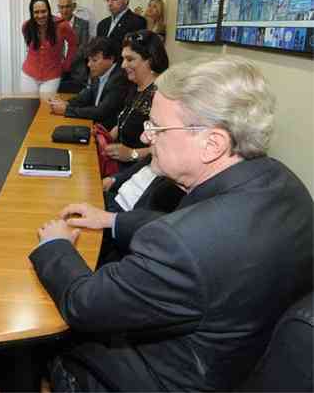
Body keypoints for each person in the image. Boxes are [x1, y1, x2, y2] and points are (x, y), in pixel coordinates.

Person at [31, 55, 313, 391]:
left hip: (169, 377)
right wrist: (113, 220)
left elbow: (84, 304)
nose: (148, 138)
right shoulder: (286, 185)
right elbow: (195, 230)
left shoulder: (181, 244)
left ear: (212, 143)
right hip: (239, 358)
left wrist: (56, 246)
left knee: (44, 339)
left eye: (158, 128)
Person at [104, 29, 168, 170]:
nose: (123, 65)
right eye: (123, 59)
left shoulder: (162, 96)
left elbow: (164, 149)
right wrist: (103, 138)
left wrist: (133, 154)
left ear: (150, 61)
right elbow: (124, 122)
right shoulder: (135, 87)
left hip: (140, 171)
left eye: (130, 59)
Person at [49, 37, 130, 129]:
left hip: (107, 132)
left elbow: (101, 112)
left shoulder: (119, 79)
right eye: (89, 60)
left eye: (94, 60)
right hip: (93, 125)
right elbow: (85, 97)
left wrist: (66, 110)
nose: (89, 64)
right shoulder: (99, 73)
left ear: (111, 59)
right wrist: (66, 103)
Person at [21, 0, 77, 97]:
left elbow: (73, 44)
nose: (40, 15)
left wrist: (66, 64)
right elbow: (29, 46)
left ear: (49, 10)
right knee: (28, 105)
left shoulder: (62, 25)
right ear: (31, 13)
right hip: (29, 74)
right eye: (36, 12)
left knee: (45, 107)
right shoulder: (26, 26)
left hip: (52, 75)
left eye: (43, 11)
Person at [57, 0, 93, 94]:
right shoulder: (53, 25)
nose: (64, 10)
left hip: (78, 74)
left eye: (67, 6)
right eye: (61, 7)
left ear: (74, 6)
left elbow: (84, 48)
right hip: (58, 74)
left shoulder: (83, 24)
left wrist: (67, 62)